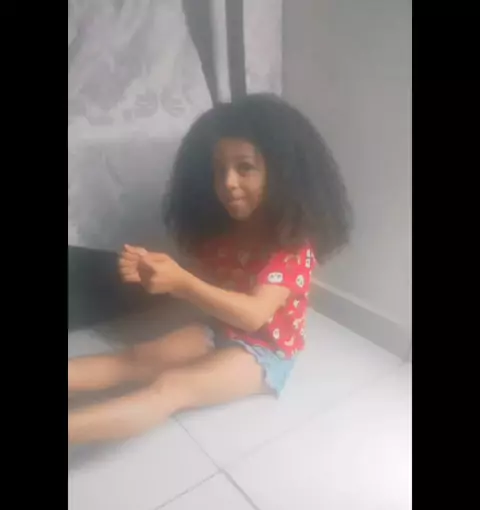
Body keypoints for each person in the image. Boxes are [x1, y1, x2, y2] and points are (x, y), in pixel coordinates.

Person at [68, 93, 352, 445]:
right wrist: (155, 271)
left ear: (281, 174)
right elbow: (207, 279)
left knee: (169, 388)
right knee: (134, 359)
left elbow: (254, 314)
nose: (228, 182)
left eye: (245, 168)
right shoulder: (228, 230)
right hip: (220, 326)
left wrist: (182, 282)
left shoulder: (291, 248)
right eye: (219, 170)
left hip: (265, 350)